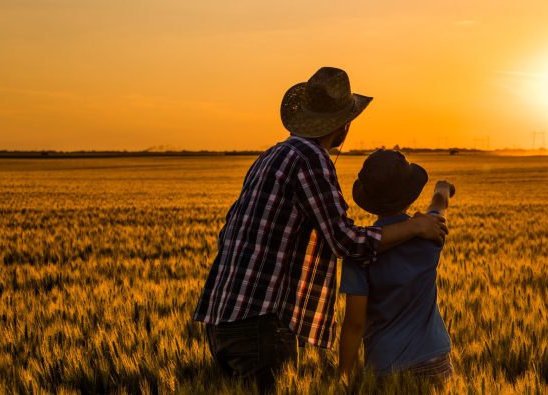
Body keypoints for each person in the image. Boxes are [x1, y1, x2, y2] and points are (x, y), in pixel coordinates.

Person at [191, 67, 448, 393]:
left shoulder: (271, 155)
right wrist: (415, 226)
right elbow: (347, 241)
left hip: (221, 317)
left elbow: (230, 231)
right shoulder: (311, 160)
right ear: (343, 125)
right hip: (259, 324)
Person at [338, 149, 456, 385]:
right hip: (435, 358)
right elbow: (439, 203)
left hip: (386, 367)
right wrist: (443, 187)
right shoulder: (429, 231)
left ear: (370, 201)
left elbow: (354, 324)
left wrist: (342, 377)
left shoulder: (359, 252)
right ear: (410, 195)